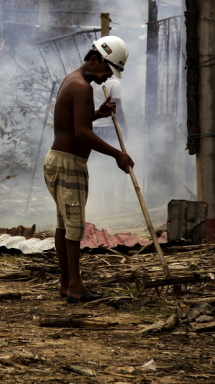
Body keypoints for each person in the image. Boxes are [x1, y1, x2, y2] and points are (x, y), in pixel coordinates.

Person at [43, 36, 134, 303]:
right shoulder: (82, 87)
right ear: (94, 60)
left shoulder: (72, 80)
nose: (106, 78)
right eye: (107, 70)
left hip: (60, 161)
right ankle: (75, 287)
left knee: (64, 225)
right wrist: (117, 154)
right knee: (73, 227)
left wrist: (98, 113)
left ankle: (66, 285)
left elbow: (74, 122)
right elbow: (81, 133)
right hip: (68, 163)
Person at [90, 76, 128, 214]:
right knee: (109, 168)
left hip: (92, 126)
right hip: (108, 128)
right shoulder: (114, 83)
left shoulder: (91, 82)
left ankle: (98, 205)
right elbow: (117, 108)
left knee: (96, 168)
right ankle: (110, 206)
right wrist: (124, 127)